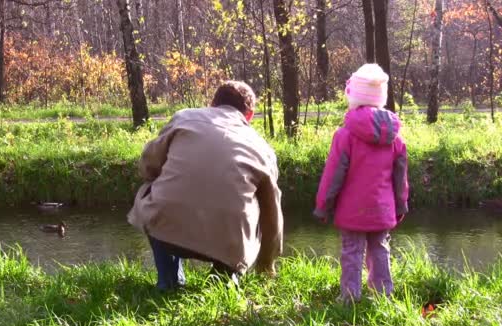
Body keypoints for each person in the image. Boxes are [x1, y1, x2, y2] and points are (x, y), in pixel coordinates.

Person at [128, 81, 283, 291]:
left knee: (152, 188)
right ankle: (222, 280)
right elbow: (272, 215)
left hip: (166, 231)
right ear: (250, 115)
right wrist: (267, 263)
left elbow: (148, 165)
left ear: (212, 103)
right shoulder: (263, 149)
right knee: (256, 201)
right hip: (228, 243)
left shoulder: (184, 117)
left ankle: (169, 281)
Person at [313, 64, 409, 303]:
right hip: (382, 208)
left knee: (352, 252)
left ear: (353, 96)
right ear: (381, 98)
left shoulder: (345, 135)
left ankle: (349, 298)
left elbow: (333, 175)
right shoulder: (395, 138)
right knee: (380, 249)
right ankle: (382, 295)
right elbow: (401, 178)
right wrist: (401, 205)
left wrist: (323, 205)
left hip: (352, 210)